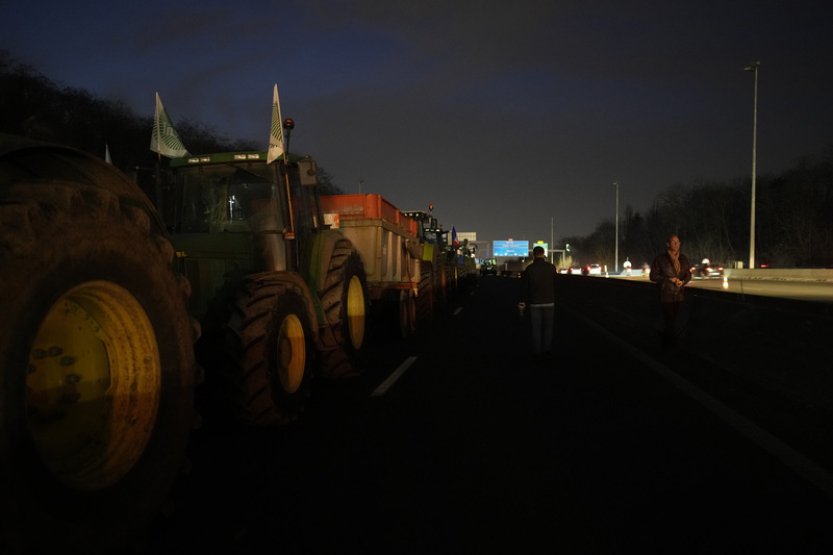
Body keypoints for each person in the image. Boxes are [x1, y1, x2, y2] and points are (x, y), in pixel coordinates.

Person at [649, 234, 691, 348]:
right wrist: (668, 280)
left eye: (678, 242)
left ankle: (666, 344)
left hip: (679, 295)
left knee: (673, 321)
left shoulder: (683, 258)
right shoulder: (660, 259)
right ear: (668, 244)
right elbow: (652, 276)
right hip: (666, 295)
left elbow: (688, 275)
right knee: (670, 320)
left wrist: (682, 282)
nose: (676, 244)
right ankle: (671, 346)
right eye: (673, 242)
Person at [518, 245, 557, 361]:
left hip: (534, 303)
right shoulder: (551, 267)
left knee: (536, 328)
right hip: (549, 302)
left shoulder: (530, 269)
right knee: (548, 328)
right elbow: (556, 284)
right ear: (543, 254)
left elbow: (525, 287)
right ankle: (547, 350)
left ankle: (537, 352)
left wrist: (522, 302)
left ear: (533, 255)